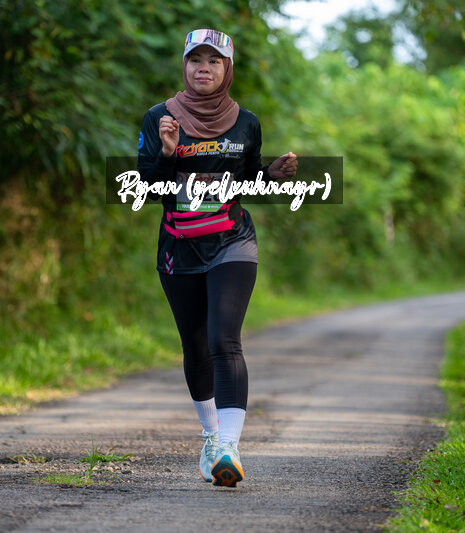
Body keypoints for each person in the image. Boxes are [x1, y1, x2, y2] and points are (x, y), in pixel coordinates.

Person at [136, 29, 297, 488]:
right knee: (195, 347)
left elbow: (249, 179)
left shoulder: (246, 122)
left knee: (223, 338)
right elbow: (146, 186)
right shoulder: (159, 117)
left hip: (232, 240)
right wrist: (167, 153)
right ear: (184, 66)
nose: (203, 68)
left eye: (214, 61)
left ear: (227, 69)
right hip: (179, 244)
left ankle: (229, 446)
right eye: (195, 60)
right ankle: (210, 437)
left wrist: (272, 175)